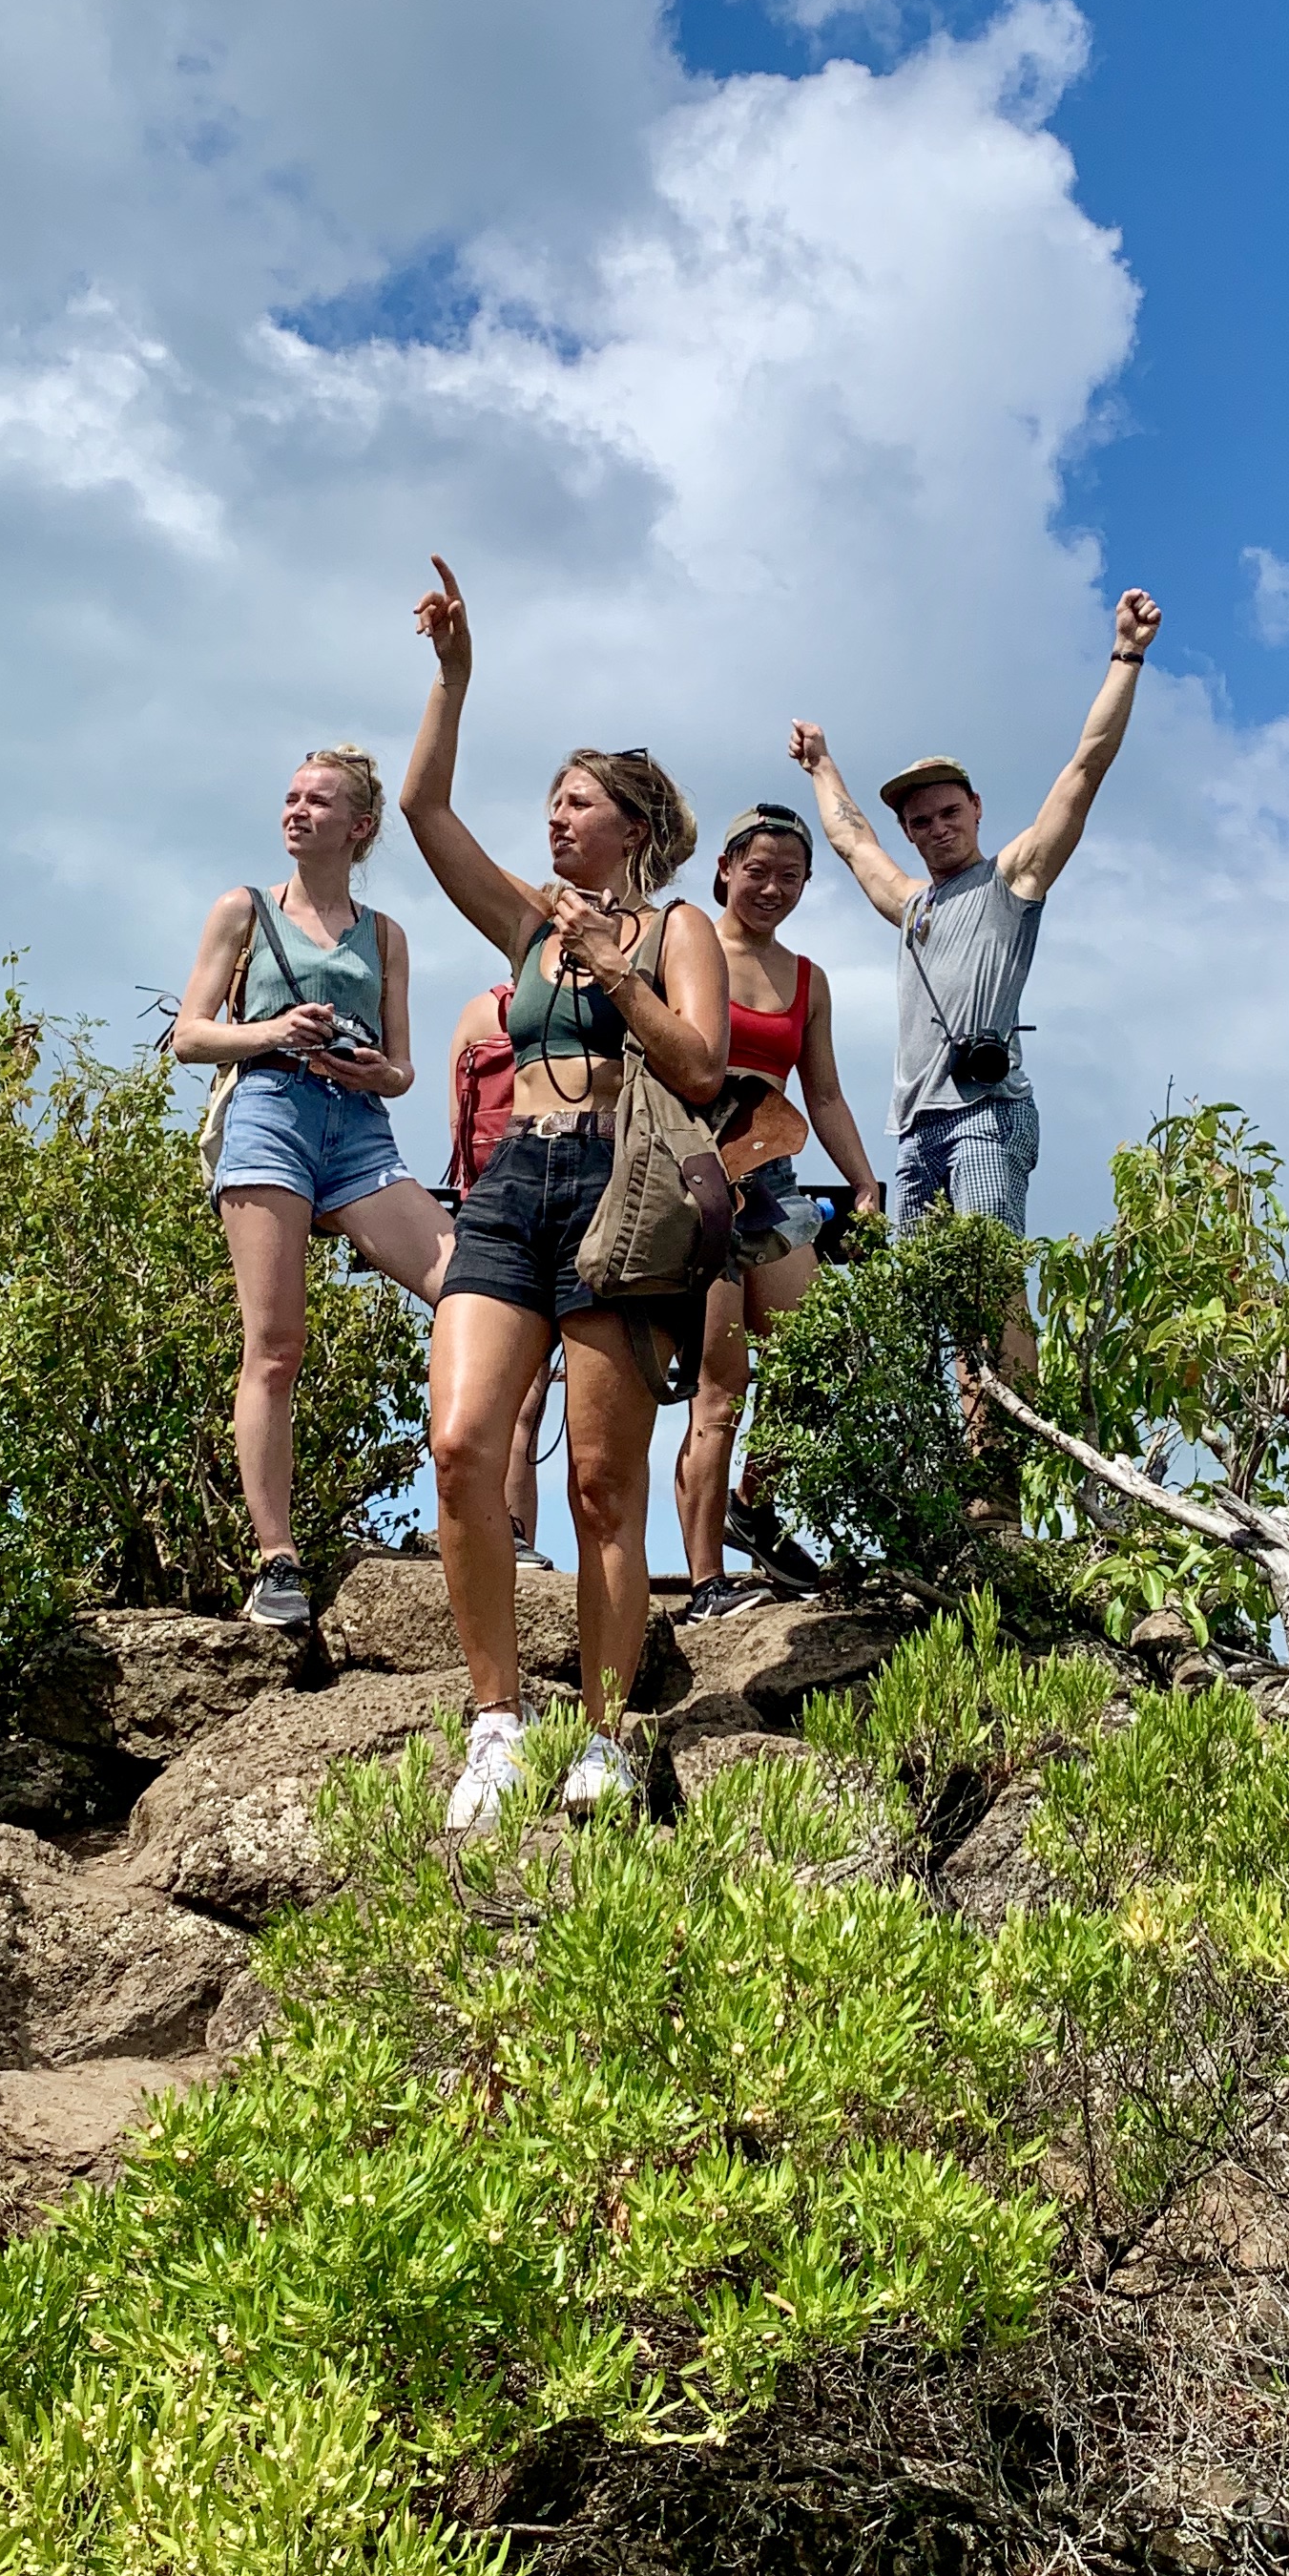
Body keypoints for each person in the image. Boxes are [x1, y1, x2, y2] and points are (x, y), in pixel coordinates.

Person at [400, 555, 729, 1830]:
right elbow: (425, 810)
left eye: (579, 804)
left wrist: (618, 968)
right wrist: (453, 674)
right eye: (550, 803)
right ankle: (496, 1721)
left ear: (632, 828)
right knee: (460, 1444)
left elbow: (700, 1066)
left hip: (619, 1194)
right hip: (509, 1185)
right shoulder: (528, 925)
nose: (556, 821)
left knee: (602, 1485)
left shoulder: (672, 929)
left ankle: (601, 1731)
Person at [172, 746, 451, 1634]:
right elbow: (188, 1036)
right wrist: (271, 1030)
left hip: (361, 1129)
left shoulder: (386, 934)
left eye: (317, 800)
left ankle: (485, 1518)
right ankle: (275, 1559)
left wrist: (378, 1070)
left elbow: (406, 1068)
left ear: (358, 827)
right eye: (290, 796)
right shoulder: (243, 909)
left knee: (475, 1287)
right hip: (271, 1115)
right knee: (276, 1346)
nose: (296, 810)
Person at [789, 587, 1164, 1236]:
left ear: (978, 808)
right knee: (915, 1295)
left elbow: (1085, 768)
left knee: (989, 1280)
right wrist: (822, 766)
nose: (938, 829)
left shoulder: (1012, 880)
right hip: (913, 1125)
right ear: (908, 832)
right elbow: (851, 841)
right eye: (921, 822)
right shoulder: (912, 906)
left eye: (950, 813)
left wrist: (1125, 657)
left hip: (986, 1111)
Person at [671, 800, 884, 1623]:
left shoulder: (806, 978)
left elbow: (823, 1092)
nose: (769, 888)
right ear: (724, 869)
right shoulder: (684, 945)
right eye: (755, 871)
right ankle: (703, 1582)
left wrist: (861, 1181)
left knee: (813, 1358)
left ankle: (752, 1509)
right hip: (695, 1170)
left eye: (788, 877)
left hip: (776, 1174)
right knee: (720, 1385)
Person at [444, 978, 560, 1570]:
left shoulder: (476, 1011)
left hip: (493, 1206)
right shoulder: (599, 1007)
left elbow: (460, 1136)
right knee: (530, 1403)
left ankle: (511, 1536)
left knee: (516, 1400)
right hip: (576, 1206)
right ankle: (513, 1534)